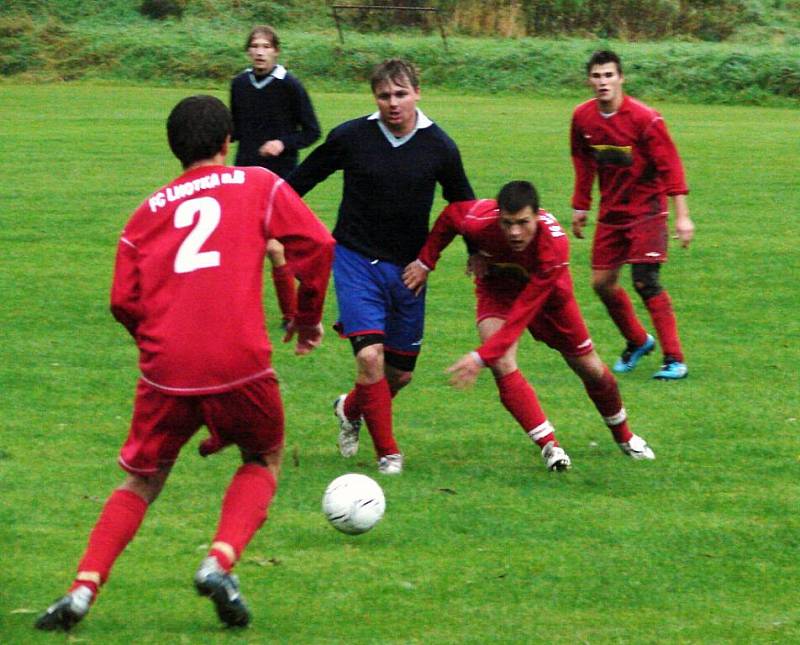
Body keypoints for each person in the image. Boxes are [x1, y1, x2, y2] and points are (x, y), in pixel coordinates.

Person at [35, 95, 334, 631]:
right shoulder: (260, 185)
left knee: (141, 480)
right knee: (264, 456)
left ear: (175, 149)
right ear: (227, 142)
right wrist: (308, 318)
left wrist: (156, 343)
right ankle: (218, 562)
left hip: (165, 368)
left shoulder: (145, 213)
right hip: (239, 360)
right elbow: (316, 244)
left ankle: (82, 590)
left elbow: (122, 302)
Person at [287, 58, 474, 475]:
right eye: (384, 95)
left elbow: (463, 205)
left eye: (401, 94)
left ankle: (349, 408)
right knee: (369, 358)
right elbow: (301, 180)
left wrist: (465, 255)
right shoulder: (352, 136)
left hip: (408, 271)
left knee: (398, 375)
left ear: (417, 93)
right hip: (355, 260)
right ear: (375, 97)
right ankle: (388, 453)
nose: (393, 103)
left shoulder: (439, 146)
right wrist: (272, 218)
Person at [403, 180, 655, 471]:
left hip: (550, 301)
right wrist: (426, 262)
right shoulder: (479, 220)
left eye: (523, 223)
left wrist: (479, 357)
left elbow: (523, 313)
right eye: (507, 223)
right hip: (498, 289)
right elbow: (450, 218)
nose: (514, 232)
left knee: (591, 370)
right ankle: (550, 446)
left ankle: (625, 437)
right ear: (498, 216)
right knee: (503, 364)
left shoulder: (554, 246)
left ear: (538, 216)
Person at [570, 50, 695, 380]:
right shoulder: (583, 118)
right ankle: (638, 341)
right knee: (601, 283)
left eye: (609, 75)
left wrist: (682, 217)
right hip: (612, 212)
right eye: (597, 76)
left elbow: (671, 166)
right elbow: (583, 163)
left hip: (647, 210)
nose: (603, 82)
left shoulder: (645, 119)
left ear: (621, 78)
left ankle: (674, 359)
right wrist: (581, 206)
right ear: (589, 81)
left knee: (645, 280)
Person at [231, 25, 322, 329]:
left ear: (276, 51)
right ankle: (242, 312)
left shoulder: (289, 85)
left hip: (280, 177)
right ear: (248, 51)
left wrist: (283, 143)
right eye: (254, 46)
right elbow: (238, 130)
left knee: (273, 246)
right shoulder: (239, 84)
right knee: (245, 246)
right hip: (244, 174)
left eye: (266, 46)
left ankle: (291, 313)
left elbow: (312, 131)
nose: (259, 51)